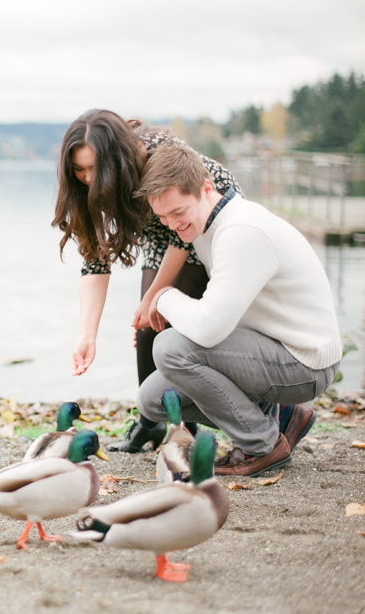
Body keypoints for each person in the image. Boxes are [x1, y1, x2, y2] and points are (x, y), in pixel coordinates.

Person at [135, 143, 341, 476]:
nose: (172, 224)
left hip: (305, 361)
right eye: (162, 217)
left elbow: (208, 329)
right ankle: (279, 419)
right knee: (153, 399)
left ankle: (261, 444)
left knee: (169, 349)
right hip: (270, 347)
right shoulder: (205, 225)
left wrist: (162, 296)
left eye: (178, 212)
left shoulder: (241, 230)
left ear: (206, 188)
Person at [52, 109, 242, 452]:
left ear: (114, 158)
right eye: (79, 170)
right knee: (148, 327)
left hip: (204, 224)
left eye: (95, 168)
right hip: (163, 235)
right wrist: (86, 336)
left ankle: (185, 429)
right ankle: (150, 423)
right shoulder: (87, 190)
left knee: (165, 320)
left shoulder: (157, 156)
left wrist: (153, 296)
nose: (88, 178)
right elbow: (95, 262)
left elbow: (184, 237)